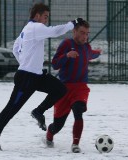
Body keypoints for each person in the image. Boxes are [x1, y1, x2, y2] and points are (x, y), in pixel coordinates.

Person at [0, 2, 83, 151]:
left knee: (60, 89)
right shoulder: (35, 27)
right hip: (26, 79)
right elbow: (55, 31)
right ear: (37, 16)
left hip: (36, 76)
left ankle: (38, 111)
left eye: (47, 17)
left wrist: (25, 63)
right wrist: (73, 24)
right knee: (11, 109)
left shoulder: (27, 29)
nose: (46, 20)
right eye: (45, 17)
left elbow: (15, 48)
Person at [45, 20, 101, 153]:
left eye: (87, 34)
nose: (85, 36)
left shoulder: (86, 47)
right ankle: (50, 133)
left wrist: (97, 52)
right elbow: (54, 64)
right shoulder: (66, 44)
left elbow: (90, 54)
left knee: (78, 110)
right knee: (58, 125)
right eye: (82, 33)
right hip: (63, 89)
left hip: (80, 88)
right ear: (74, 31)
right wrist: (67, 55)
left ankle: (75, 144)